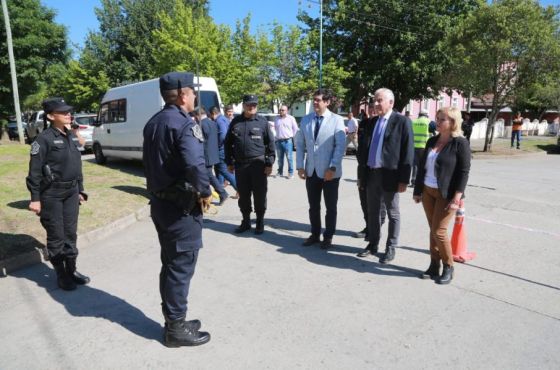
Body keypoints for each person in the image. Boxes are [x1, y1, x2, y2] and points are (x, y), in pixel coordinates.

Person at [143, 71, 212, 347]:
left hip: (160, 204)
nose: (195, 96)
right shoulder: (184, 124)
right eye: (193, 92)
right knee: (180, 266)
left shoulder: (154, 121)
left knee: (171, 263)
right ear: (183, 95)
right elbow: (195, 165)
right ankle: (175, 328)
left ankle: (174, 319)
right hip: (180, 207)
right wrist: (206, 191)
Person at [26, 97, 90, 291]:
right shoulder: (43, 139)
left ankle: (72, 270)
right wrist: (35, 199)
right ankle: (61, 275)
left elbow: (76, 165)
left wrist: (79, 189)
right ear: (51, 116)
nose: (68, 114)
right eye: (63, 112)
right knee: (56, 236)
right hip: (51, 194)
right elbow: (34, 171)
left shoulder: (70, 134)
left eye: (69, 111)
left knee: (70, 234)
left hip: (71, 192)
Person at [413, 107, 471, 285]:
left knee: (439, 231)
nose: (437, 122)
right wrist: (417, 190)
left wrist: (457, 197)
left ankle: (448, 266)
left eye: (442, 119)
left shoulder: (460, 143)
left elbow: (464, 171)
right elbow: (422, 166)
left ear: (453, 122)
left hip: (446, 193)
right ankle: (433, 265)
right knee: (433, 230)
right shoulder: (432, 140)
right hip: (427, 191)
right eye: (437, 118)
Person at [357, 88, 414, 264]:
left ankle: (391, 247)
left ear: (391, 103)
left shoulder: (402, 122)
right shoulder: (372, 122)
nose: (375, 103)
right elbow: (364, 151)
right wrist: (361, 175)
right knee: (373, 212)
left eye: (379, 100)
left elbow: (408, 152)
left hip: (391, 175)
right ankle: (373, 244)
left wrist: (404, 179)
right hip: (371, 174)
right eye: (374, 100)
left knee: (392, 213)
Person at [295, 89, 346, 249]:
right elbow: (300, 144)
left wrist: (333, 167)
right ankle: (315, 234)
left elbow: (340, 146)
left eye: (318, 100)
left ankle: (328, 236)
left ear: (327, 102)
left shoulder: (337, 120)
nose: (315, 102)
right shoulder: (306, 120)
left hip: (330, 172)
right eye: (314, 100)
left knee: (331, 207)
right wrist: (300, 166)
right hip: (312, 170)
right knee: (313, 206)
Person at [224, 94, 275, 235]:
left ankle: (259, 221)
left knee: (260, 195)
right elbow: (228, 143)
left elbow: (270, 144)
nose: (252, 107)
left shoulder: (263, 122)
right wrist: (229, 161)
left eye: (254, 105)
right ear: (243, 105)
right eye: (249, 105)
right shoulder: (235, 122)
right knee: (244, 196)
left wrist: (269, 163)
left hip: (258, 165)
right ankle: (246, 221)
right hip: (241, 166)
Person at [355, 99, 386, 257]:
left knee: (378, 206)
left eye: (375, 107)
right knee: (364, 200)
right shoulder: (365, 123)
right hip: (363, 168)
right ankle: (369, 227)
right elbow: (361, 146)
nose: (373, 110)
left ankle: (375, 234)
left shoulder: (380, 125)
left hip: (377, 170)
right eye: (371, 108)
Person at [194, 107, 229, 205]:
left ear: (198, 115)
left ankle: (220, 193)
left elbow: (199, 141)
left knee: (208, 176)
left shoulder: (200, 125)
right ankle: (212, 194)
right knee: (208, 175)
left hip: (205, 155)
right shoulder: (212, 123)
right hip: (213, 153)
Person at [208, 106, 238, 199]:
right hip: (224, 149)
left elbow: (223, 135)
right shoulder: (224, 119)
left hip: (221, 149)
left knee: (224, 171)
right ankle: (220, 190)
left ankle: (239, 189)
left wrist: (219, 146)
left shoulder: (219, 121)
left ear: (213, 113)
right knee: (219, 170)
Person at [274, 105, 299, 178]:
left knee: (289, 158)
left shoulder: (291, 118)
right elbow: (275, 128)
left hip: (288, 141)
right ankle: (280, 172)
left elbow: (295, 129)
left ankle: (290, 173)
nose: (281, 111)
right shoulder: (276, 118)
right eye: (280, 110)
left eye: (283, 110)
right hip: (279, 141)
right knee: (280, 158)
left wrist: (290, 136)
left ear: (286, 111)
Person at [410, 109, 430, 187]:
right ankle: (422, 180)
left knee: (415, 164)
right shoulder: (428, 122)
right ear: (426, 115)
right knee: (424, 164)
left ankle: (413, 180)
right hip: (424, 146)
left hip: (414, 146)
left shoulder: (414, 122)